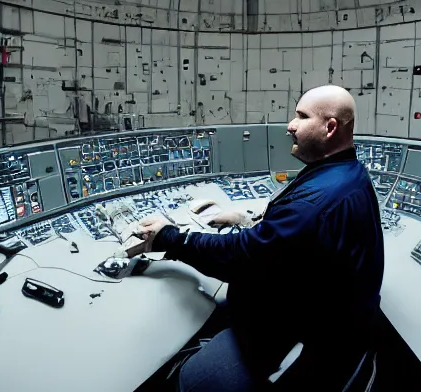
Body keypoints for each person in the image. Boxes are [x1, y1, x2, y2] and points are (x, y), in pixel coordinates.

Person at [136, 85, 384, 391]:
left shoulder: (314, 203)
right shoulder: (348, 172)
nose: (290, 126)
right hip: (334, 314)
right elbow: (307, 236)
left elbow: (239, 258)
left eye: (301, 117)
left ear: (330, 127)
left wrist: (170, 238)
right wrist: (248, 220)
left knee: (192, 379)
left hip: (307, 330)